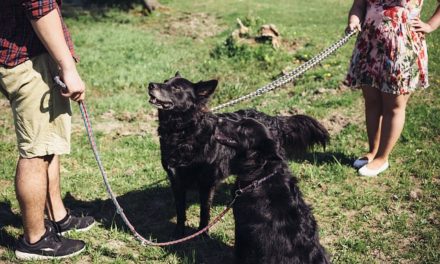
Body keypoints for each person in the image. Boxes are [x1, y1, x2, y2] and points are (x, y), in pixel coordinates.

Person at [0, 0, 95, 260]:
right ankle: (34, 239)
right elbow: (39, 7)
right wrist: (68, 66)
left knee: (48, 141)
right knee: (36, 151)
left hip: (20, 52)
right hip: (28, 58)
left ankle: (57, 216)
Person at [346, 0, 440, 177]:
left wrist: (430, 25)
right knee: (372, 102)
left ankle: (382, 157)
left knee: (393, 105)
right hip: (369, 43)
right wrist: (354, 20)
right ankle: (373, 151)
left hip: (402, 46)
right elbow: (359, 5)